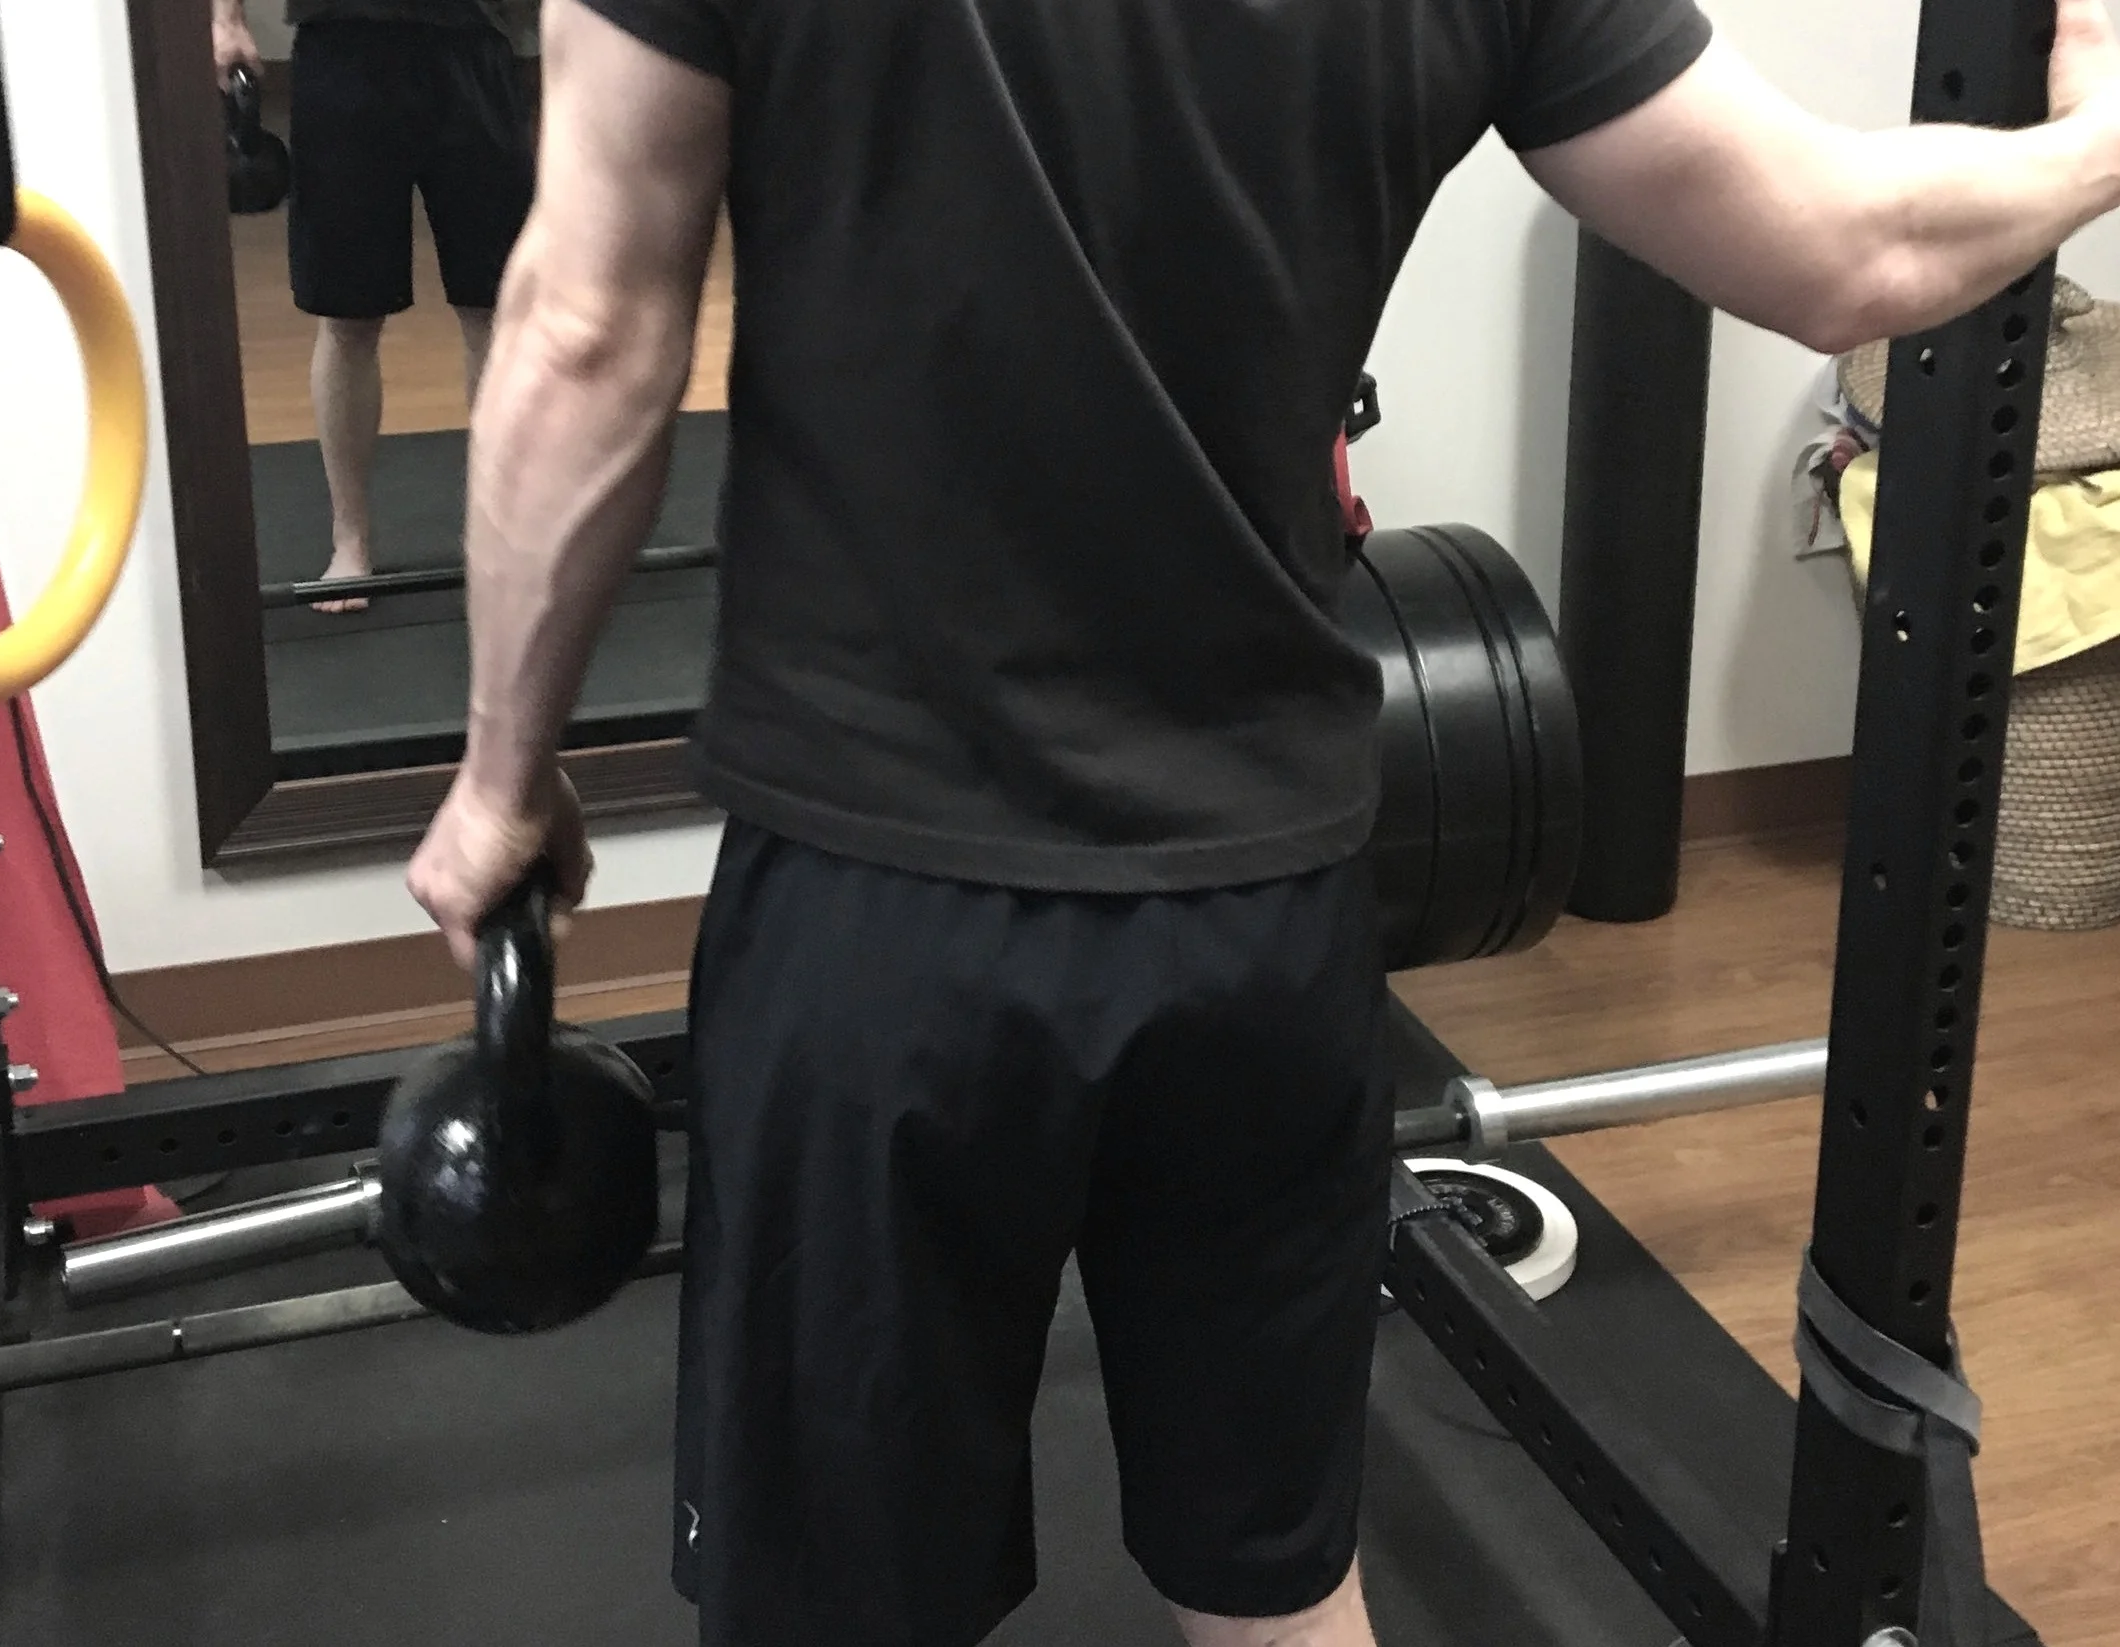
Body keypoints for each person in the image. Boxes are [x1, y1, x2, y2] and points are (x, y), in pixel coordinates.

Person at [407, 0, 2120, 1641]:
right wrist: (2099, 140)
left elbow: (585, 325)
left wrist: (501, 778)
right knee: (1281, 1595)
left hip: (887, 918)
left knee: (839, 1608)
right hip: (1262, 917)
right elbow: (1844, 251)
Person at [211, 0, 535, 612]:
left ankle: (501, 531)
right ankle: (350, 540)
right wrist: (226, 20)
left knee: (495, 310)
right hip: (343, 45)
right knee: (348, 317)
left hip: (476, 42)